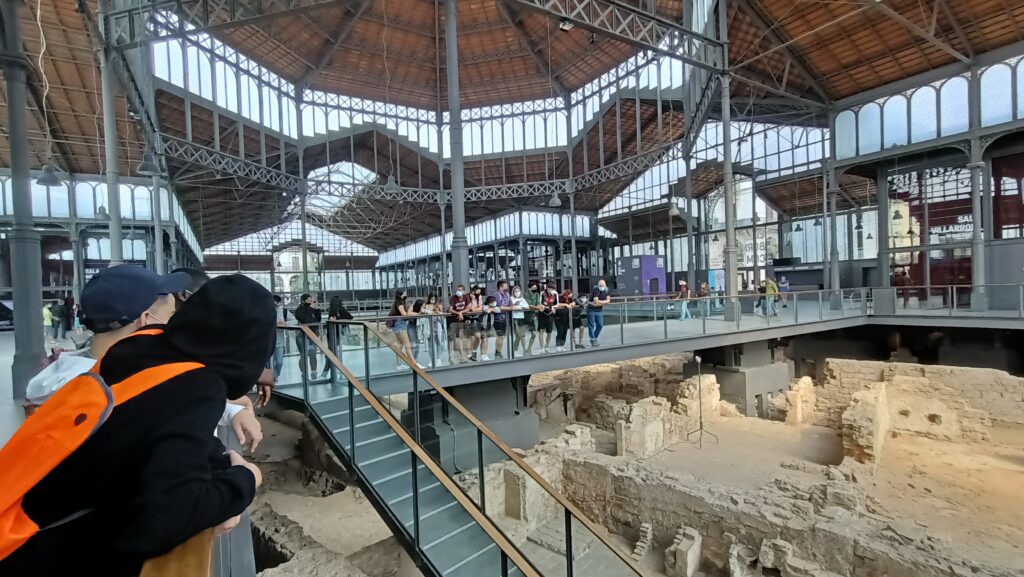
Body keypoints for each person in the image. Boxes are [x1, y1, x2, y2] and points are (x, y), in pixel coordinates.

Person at [0, 275, 271, 577]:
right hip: (39, 556)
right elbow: (163, 520)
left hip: (16, 533)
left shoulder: (140, 351)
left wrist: (215, 460)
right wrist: (245, 479)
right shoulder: (198, 386)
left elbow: (146, 429)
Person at [25, 266, 263, 451]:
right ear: (146, 321)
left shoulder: (84, 378)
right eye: (172, 315)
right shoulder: (102, 395)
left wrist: (231, 410)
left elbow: (160, 398)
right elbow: (159, 406)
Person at [387, 290, 421, 370]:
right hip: (399, 324)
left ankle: (399, 365)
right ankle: (414, 363)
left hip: (399, 324)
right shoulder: (400, 303)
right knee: (407, 344)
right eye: (404, 292)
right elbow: (404, 314)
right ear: (400, 294)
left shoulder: (400, 302)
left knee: (399, 345)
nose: (406, 293)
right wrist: (416, 314)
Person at [293, 293, 322, 378]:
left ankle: (314, 371)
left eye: (311, 300)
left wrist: (317, 310)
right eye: (308, 300)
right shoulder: (299, 310)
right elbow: (304, 319)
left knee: (313, 353)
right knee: (303, 355)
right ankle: (303, 372)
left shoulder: (312, 309)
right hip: (302, 335)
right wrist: (309, 309)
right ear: (303, 301)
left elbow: (318, 320)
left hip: (313, 335)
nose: (310, 302)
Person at [447, 284, 472, 363]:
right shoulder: (453, 298)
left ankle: (462, 355)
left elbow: (468, 308)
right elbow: (450, 309)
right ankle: (450, 356)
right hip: (452, 320)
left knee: (460, 337)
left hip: (460, 320)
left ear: (463, 291)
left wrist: (461, 312)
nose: (458, 292)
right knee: (451, 337)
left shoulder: (466, 297)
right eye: (458, 290)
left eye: (460, 290)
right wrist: (458, 313)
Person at [491, 280, 514, 359]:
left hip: (505, 319)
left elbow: (511, 304)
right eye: (505, 286)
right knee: (499, 336)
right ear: (500, 287)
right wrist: (509, 308)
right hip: (498, 320)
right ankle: (497, 352)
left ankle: (498, 351)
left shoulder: (507, 294)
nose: (507, 288)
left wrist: (509, 307)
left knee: (502, 337)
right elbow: (500, 307)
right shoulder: (496, 294)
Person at [587, 279, 611, 347]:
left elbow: (608, 300)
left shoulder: (606, 290)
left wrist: (602, 302)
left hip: (599, 310)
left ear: (605, 285)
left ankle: (594, 339)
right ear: (598, 285)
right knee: (591, 326)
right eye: (600, 285)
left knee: (600, 325)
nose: (601, 286)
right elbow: (596, 301)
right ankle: (593, 340)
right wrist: (605, 302)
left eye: (602, 285)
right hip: (591, 309)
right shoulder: (596, 289)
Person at [520, 280, 541, 355]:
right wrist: (536, 307)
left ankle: (529, 348)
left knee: (534, 334)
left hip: (532, 316)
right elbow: (528, 305)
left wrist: (537, 307)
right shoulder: (525, 294)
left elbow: (538, 303)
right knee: (522, 334)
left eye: (535, 287)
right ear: (529, 288)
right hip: (525, 316)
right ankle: (524, 349)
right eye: (533, 287)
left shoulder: (537, 294)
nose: (535, 289)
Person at [510, 285, 532, 355]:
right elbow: (513, 306)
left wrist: (519, 305)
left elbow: (527, 306)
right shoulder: (511, 298)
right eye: (515, 291)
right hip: (515, 318)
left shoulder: (522, 298)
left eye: (518, 291)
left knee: (522, 335)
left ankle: (524, 351)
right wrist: (518, 305)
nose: (517, 292)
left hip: (521, 318)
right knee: (518, 336)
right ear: (513, 292)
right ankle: (515, 350)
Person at [538, 283, 559, 352]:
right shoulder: (542, 293)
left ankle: (547, 347)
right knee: (541, 331)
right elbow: (540, 304)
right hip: (543, 314)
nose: (552, 290)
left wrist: (553, 307)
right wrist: (550, 307)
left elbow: (557, 304)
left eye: (553, 289)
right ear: (547, 288)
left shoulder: (555, 294)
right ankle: (542, 348)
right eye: (551, 289)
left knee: (549, 332)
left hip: (550, 314)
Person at [270, 295, 288, 380]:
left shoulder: (284, 311)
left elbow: (294, 320)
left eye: (276, 303)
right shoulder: (265, 311)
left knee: (279, 361)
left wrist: (285, 324)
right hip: (268, 341)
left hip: (279, 341)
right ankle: (271, 378)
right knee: (268, 362)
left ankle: (275, 375)